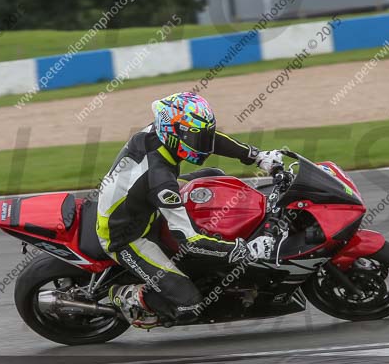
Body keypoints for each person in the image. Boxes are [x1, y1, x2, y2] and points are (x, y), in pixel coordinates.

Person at [99, 92, 283, 328]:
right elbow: (191, 241)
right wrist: (244, 250)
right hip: (126, 236)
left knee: (216, 177)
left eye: (202, 137)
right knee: (190, 306)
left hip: (143, 202)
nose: (204, 145)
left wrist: (257, 156)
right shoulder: (160, 180)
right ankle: (124, 295)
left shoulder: (159, 133)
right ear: (174, 134)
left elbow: (211, 139)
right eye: (197, 139)